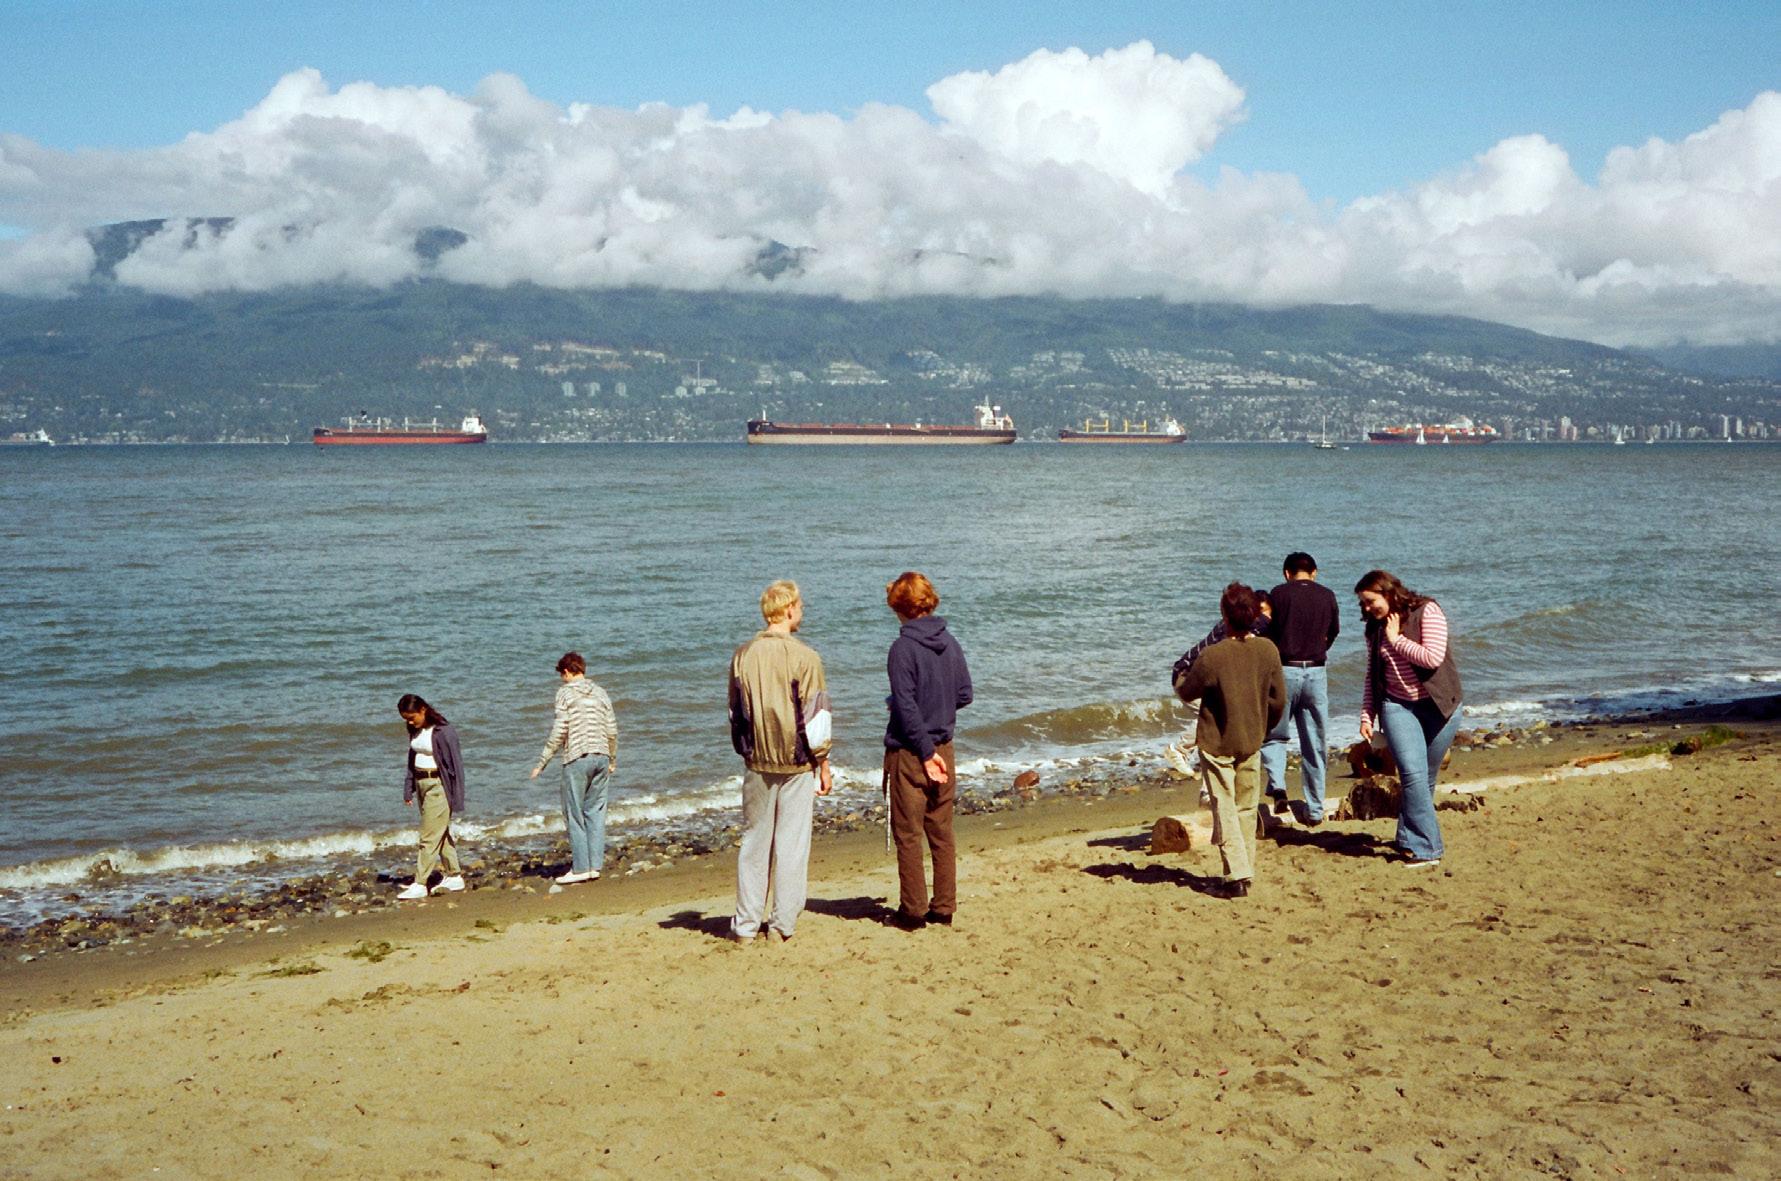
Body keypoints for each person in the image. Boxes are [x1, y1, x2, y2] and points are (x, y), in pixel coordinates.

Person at [727, 580, 833, 943]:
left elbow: (735, 713)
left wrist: (747, 750)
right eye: (800, 607)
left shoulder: (743, 655)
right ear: (789, 609)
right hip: (796, 762)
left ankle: (745, 925)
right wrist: (823, 763)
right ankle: (781, 925)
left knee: (754, 843)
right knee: (791, 846)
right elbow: (816, 717)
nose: (802, 612)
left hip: (758, 760)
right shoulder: (806, 657)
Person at [1172, 583, 1286, 899]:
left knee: (1224, 805)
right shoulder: (1268, 650)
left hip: (1217, 741)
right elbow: (1278, 700)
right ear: (1256, 615)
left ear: (1224, 616)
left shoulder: (1213, 656)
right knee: (1246, 806)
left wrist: (1181, 677)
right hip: (1251, 738)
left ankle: (1236, 875)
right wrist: (1263, 724)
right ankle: (1243, 870)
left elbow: (1187, 690)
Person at [882, 571, 974, 931]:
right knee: (941, 831)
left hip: (911, 753)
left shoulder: (902, 649)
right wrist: (938, 708)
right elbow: (964, 694)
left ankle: (913, 911)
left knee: (908, 834)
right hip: (944, 747)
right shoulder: (949, 642)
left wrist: (923, 749)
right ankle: (944, 906)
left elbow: (906, 707)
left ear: (900, 608)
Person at [1355, 569, 1463, 868]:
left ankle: (1407, 838)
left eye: (1370, 601)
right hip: (1397, 706)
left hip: (1440, 706)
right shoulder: (1374, 629)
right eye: (1363, 604)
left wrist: (1397, 639)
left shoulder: (1427, 611)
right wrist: (1367, 715)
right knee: (1412, 775)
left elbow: (1432, 658)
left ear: (1388, 593)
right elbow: (1372, 675)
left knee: (1424, 778)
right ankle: (1428, 849)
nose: (1367, 609)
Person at [1262, 552, 1341, 825]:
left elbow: (1267, 632)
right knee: (1315, 742)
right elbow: (1333, 631)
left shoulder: (1278, 594)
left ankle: (1279, 787)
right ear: (1314, 572)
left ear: (1287, 573)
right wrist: (1318, 648)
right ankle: (1316, 809)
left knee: (1275, 734)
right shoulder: (1327, 595)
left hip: (1285, 668)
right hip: (1316, 670)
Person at [1164, 589, 1271, 785]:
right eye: (1261, 611)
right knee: (1212, 717)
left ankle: (1207, 789)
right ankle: (1179, 750)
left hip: (1204, 678)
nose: (1264, 617)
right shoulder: (1232, 627)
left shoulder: (1244, 630)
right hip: (1186, 675)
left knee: (1221, 728)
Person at [530, 651, 619, 885]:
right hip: (602, 755)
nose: (562, 679)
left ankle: (580, 867)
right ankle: (594, 866)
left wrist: (542, 762)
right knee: (596, 812)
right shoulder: (601, 692)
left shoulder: (565, 693)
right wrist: (612, 759)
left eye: (562, 675)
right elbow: (612, 729)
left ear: (567, 672)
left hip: (577, 757)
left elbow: (560, 730)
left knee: (574, 814)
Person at [396, 693, 466, 900]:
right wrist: (408, 787)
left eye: (411, 717)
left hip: (439, 786)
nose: (409, 722)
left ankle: (420, 883)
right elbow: (412, 759)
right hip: (422, 784)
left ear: (423, 710)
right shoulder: (415, 730)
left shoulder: (444, 731)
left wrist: (457, 797)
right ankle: (454, 876)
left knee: (428, 836)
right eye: (406, 719)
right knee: (439, 832)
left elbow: (456, 765)